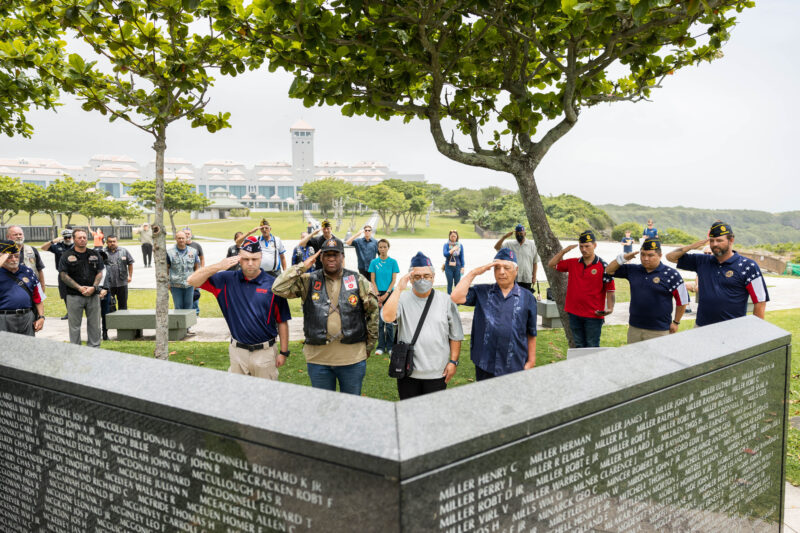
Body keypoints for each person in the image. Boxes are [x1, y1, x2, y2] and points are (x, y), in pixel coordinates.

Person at [272, 237, 378, 395]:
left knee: (351, 407)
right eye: (327, 255)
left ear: (342, 257)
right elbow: (277, 287)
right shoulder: (309, 281)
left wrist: (368, 346)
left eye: (335, 254)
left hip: (352, 359)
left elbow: (373, 313)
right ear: (320, 258)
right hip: (318, 360)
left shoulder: (357, 280)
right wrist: (302, 267)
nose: (331, 258)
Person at [188, 237, 292, 380]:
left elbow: (282, 320)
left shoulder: (273, 285)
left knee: (265, 398)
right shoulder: (225, 280)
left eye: (254, 259)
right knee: (238, 397)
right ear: (238, 258)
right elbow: (192, 281)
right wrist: (218, 266)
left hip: (265, 353)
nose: (250, 263)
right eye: (245, 259)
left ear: (261, 258)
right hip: (237, 352)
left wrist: (283, 352)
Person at [382, 252, 464, 399]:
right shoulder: (401, 299)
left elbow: (456, 335)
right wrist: (399, 289)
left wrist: (453, 361)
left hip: (437, 372)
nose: (422, 280)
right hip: (407, 371)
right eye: (417, 276)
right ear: (410, 279)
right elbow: (387, 317)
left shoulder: (446, 301)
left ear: (433, 277)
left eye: (426, 276)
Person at [451, 248, 537, 381]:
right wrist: (474, 273)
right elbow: (455, 297)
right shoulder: (482, 291)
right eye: (497, 268)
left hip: (514, 364)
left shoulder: (528, 298)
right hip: (485, 364)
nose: (501, 272)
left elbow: (531, 332)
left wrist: (531, 361)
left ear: (516, 270)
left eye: (506, 268)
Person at [666, 221, 769, 326]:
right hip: (702, 327)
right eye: (712, 240)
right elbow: (670, 257)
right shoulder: (702, 261)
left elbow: (760, 301)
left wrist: (757, 330)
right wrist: (691, 246)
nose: (715, 244)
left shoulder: (748, 266)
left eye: (719, 240)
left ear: (731, 240)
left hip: (733, 330)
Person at [606, 238, 689, 343]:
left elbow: (682, 300)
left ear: (660, 255)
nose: (645, 258)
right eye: (643, 254)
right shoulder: (633, 270)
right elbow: (609, 270)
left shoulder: (672, 274)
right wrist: (623, 258)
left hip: (659, 330)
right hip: (634, 328)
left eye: (650, 255)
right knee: (634, 358)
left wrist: (676, 322)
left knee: (656, 359)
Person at [547, 230, 615, 348]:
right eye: (581, 246)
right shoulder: (573, 263)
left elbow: (610, 290)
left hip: (593, 315)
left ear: (594, 245)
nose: (584, 249)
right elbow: (552, 264)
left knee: (592, 346)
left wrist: (610, 308)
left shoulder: (604, 266)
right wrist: (564, 251)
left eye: (587, 246)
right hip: (574, 313)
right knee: (578, 346)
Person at [58, 228, 105, 347]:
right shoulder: (66, 255)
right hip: (73, 295)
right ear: (74, 239)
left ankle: (94, 348)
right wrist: (79, 288)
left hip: (93, 295)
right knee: (74, 325)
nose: (83, 240)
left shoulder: (94, 254)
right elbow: (63, 275)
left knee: (95, 324)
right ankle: (75, 349)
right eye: (79, 237)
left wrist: (94, 287)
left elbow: (100, 272)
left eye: (84, 237)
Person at [0, 240, 46, 336]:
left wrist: (41, 317)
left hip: (27, 317)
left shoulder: (28, 271)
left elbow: (38, 297)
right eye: (9, 257)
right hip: (4, 318)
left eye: (16, 256)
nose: (14, 259)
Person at [99, 235, 134, 340]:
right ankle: (105, 332)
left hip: (122, 283)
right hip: (107, 286)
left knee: (123, 307)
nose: (112, 243)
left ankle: (123, 330)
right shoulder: (102, 253)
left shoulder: (124, 251)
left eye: (114, 241)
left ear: (117, 241)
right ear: (106, 243)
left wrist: (130, 276)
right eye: (110, 241)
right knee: (107, 308)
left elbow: (130, 263)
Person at [368, 238, 399, 356]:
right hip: (377, 294)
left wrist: (386, 294)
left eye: (384, 247)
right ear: (378, 248)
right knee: (380, 322)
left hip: (390, 293)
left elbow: (394, 280)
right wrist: (377, 295)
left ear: (388, 248)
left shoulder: (393, 262)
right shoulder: (374, 262)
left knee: (389, 322)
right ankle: (380, 346)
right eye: (380, 247)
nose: (382, 249)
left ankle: (390, 347)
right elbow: (372, 280)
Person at [494, 224, 540, 295]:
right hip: (513, 278)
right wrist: (504, 237)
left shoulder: (532, 245)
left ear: (525, 233)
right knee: (513, 299)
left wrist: (534, 277)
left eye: (521, 233)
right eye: (517, 233)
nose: (519, 235)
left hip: (526, 278)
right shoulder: (509, 244)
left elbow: (535, 262)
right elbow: (497, 247)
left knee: (525, 300)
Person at [41, 229, 73, 319]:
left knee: (76, 293)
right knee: (65, 294)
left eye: (69, 237)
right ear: (63, 237)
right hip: (63, 274)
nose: (68, 239)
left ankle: (76, 312)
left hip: (75, 274)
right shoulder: (58, 246)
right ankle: (69, 312)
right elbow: (43, 248)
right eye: (66, 237)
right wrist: (52, 241)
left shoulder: (76, 246)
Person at [167, 230, 200, 315]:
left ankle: (187, 328)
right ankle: (180, 327)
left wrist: (196, 281)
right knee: (178, 307)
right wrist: (168, 283)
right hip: (175, 285)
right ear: (175, 239)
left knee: (189, 307)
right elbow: (166, 268)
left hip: (189, 284)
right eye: (179, 238)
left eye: (183, 238)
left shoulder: (193, 251)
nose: (181, 240)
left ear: (186, 239)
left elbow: (197, 267)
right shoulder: (170, 252)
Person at [6, 225, 45, 291]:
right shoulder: (3, 252)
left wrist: (42, 286)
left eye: (20, 234)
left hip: (32, 288)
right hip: (11, 288)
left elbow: (39, 269)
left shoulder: (32, 250)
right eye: (15, 235)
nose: (18, 236)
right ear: (8, 237)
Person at [183, 227, 205, 316]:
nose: (187, 235)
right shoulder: (180, 245)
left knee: (195, 294)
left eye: (188, 233)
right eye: (185, 233)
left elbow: (202, 258)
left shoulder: (197, 245)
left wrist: (202, 270)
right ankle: (185, 313)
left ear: (191, 235)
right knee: (185, 295)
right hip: (184, 275)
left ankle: (196, 313)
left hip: (196, 274)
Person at [442, 230, 465, 294]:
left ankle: (457, 300)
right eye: (452, 236)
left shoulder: (460, 246)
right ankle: (449, 299)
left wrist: (463, 267)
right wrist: (453, 249)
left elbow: (462, 257)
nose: (453, 238)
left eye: (454, 236)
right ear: (449, 237)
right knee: (449, 283)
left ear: (457, 237)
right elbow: (445, 254)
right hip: (448, 267)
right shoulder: (446, 245)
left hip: (458, 267)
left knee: (457, 284)